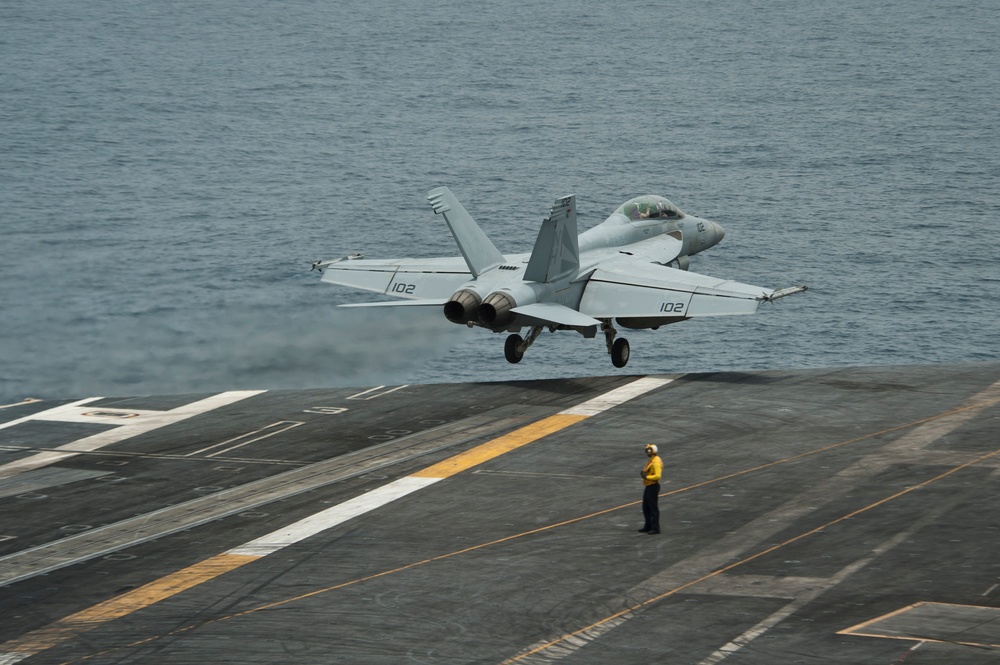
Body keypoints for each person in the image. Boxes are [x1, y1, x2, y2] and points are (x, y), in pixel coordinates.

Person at [639, 443, 662, 534]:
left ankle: (655, 528)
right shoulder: (652, 460)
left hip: (653, 486)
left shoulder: (656, 462)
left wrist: (647, 477)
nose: (647, 453)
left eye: (648, 451)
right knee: (646, 507)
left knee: (653, 508)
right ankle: (648, 525)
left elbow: (657, 476)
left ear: (651, 451)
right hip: (648, 485)